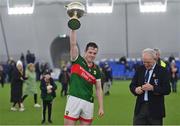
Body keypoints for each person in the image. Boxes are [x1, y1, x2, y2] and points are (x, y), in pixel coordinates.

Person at [64, 30, 104, 125]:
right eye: (90, 52)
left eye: (94, 53)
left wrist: (101, 107)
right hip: (74, 99)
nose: (92, 55)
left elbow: (98, 89)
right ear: (85, 51)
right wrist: (73, 27)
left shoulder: (96, 69)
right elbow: (73, 44)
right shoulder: (77, 59)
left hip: (88, 102)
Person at [129, 48, 171, 125]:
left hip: (156, 109)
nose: (146, 64)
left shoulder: (162, 71)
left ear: (154, 59)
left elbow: (167, 90)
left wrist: (153, 88)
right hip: (140, 108)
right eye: (144, 62)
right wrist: (135, 90)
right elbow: (132, 85)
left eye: (148, 62)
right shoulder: (140, 69)